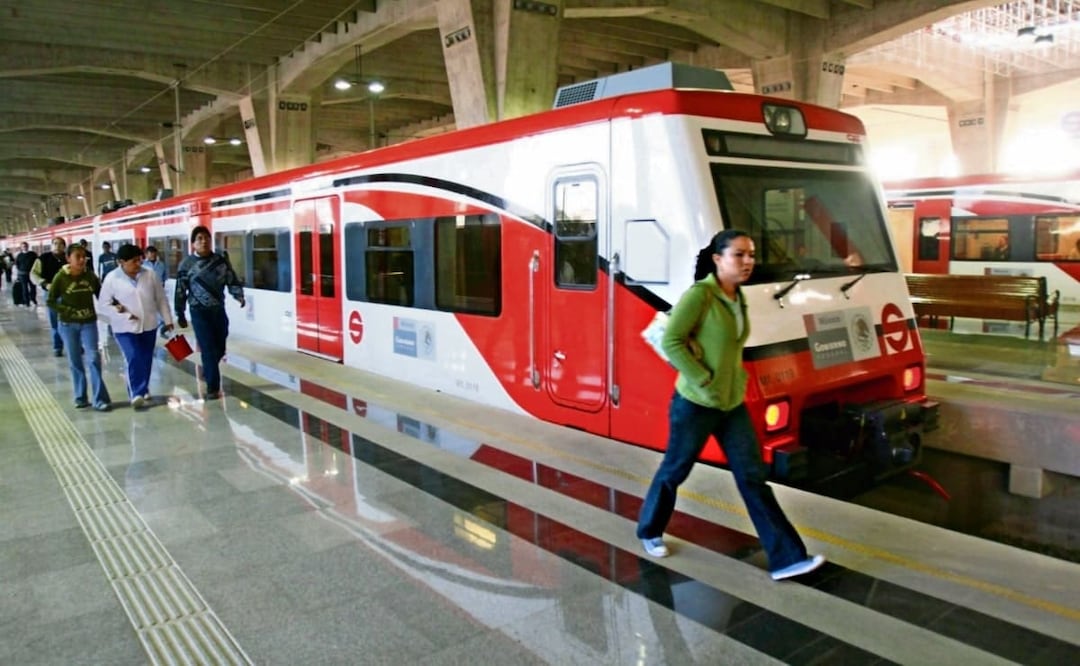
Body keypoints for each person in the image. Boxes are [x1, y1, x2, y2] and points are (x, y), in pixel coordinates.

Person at [636, 229, 825, 582]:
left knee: (752, 477)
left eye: (751, 254)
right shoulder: (700, 296)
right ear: (718, 259)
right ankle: (649, 529)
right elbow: (674, 340)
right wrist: (702, 377)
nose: (748, 261)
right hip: (695, 403)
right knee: (674, 471)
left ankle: (787, 558)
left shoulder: (738, 297)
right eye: (739, 254)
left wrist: (735, 382)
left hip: (731, 404)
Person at [99, 244, 175, 410]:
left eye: (139, 260)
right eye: (133, 261)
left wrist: (168, 319)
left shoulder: (150, 275)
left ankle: (143, 387)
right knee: (133, 357)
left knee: (146, 358)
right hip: (124, 327)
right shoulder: (112, 278)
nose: (138, 264)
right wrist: (123, 314)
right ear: (121, 262)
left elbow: (161, 299)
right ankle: (136, 393)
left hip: (149, 324)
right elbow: (103, 304)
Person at [174, 226, 245, 400]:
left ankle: (209, 368)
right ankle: (212, 387)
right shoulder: (186, 264)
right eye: (199, 238)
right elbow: (180, 290)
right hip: (198, 312)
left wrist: (239, 296)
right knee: (207, 348)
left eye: (206, 238)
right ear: (193, 244)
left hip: (218, 310)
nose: (204, 241)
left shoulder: (220, 261)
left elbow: (231, 279)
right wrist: (180, 313)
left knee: (220, 345)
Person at [45, 244, 111, 412]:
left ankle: (100, 399)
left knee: (93, 359)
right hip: (67, 325)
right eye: (78, 257)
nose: (82, 260)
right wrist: (65, 310)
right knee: (75, 361)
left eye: (84, 256)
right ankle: (80, 397)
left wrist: (116, 306)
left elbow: (101, 295)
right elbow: (50, 301)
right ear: (68, 259)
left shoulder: (90, 276)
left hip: (88, 323)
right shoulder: (60, 278)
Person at [32, 237, 68, 356]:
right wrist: (44, 283)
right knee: (55, 322)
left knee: (71, 321)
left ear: (64, 246)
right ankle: (57, 347)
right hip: (51, 294)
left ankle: (73, 344)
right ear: (51, 245)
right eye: (55, 243)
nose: (57, 246)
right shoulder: (43, 258)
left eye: (60, 244)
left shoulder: (69, 257)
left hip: (69, 294)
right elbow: (33, 274)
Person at [14, 241, 38, 306]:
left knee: (33, 288)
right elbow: (17, 264)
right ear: (21, 247)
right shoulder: (19, 255)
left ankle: (33, 299)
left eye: (25, 246)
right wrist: (19, 273)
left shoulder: (33, 254)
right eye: (23, 246)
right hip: (23, 274)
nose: (24, 247)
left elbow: (37, 263)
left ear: (28, 246)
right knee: (25, 288)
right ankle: (26, 301)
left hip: (32, 274)